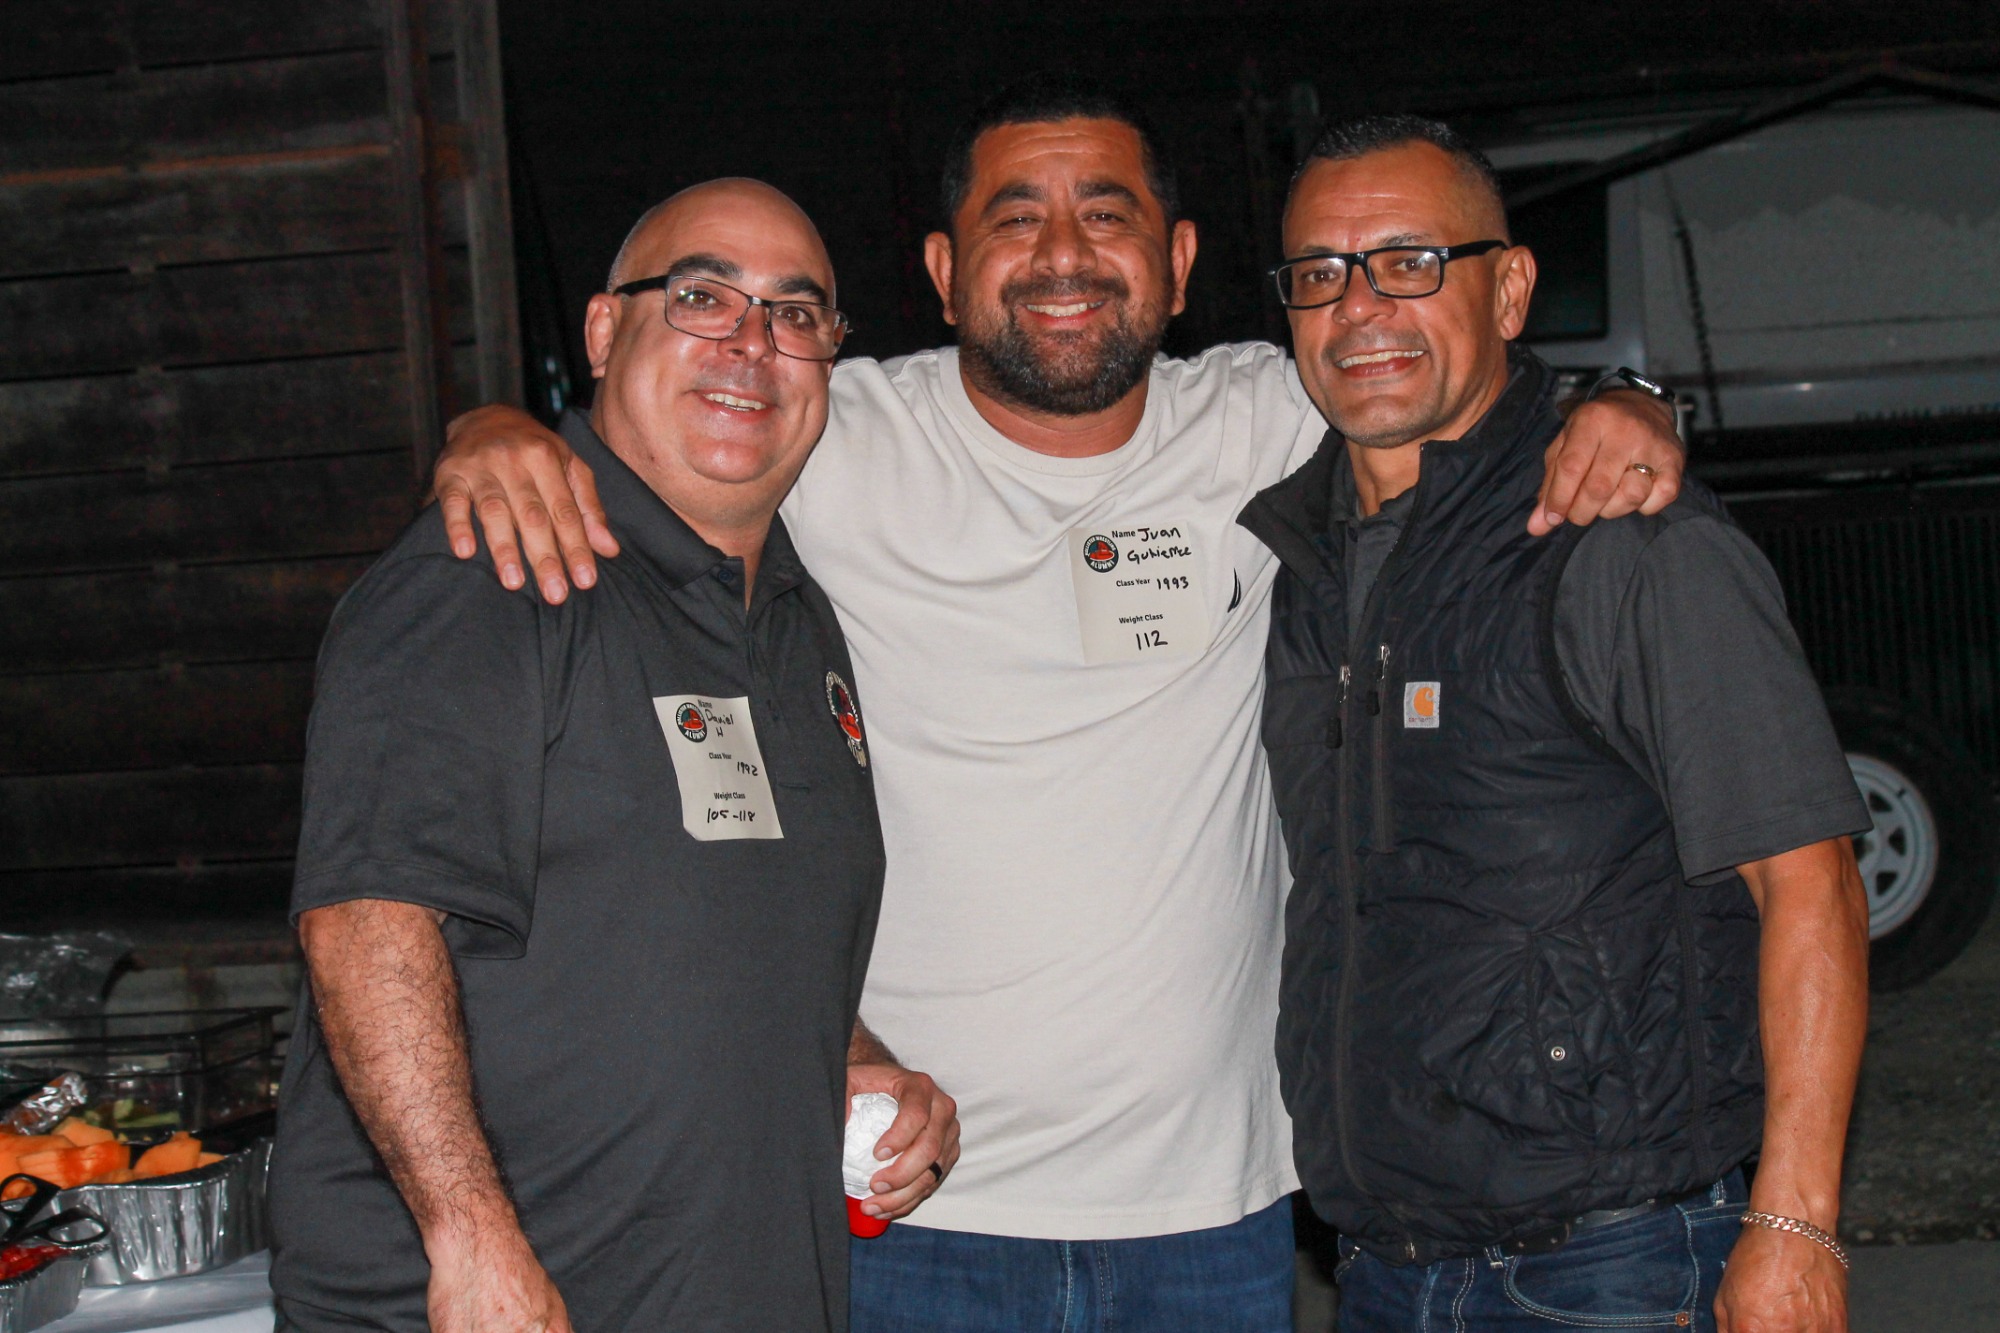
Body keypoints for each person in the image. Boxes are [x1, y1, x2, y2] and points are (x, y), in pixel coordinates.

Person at [429, 76, 1687, 1331]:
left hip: (1208, 1210)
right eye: (1014, 217)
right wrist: (493, 428)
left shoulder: (1271, 415)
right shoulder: (823, 434)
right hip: (908, 1206)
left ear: (1178, 262)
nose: (1062, 253)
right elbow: (648, 434)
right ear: (944, 269)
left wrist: (1626, 405)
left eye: (1106, 212)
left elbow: (1452, 383)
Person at [268, 179, 957, 1333]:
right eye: (700, 297)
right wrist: (469, 1239)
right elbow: (366, 921)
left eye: (795, 314)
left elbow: (709, 923)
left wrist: (851, 1059)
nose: (750, 342)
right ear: (601, 331)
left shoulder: (799, 623)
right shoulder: (491, 569)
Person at [1239, 115, 1871, 1332]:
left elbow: (1810, 884)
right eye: (1319, 272)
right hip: (1381, 1265)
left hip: (1609, 1265)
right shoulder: (1300, 555)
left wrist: (1792, 1228)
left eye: (1409, 262)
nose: (1359, 306)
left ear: (1510, 288)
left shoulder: (1624, 540)